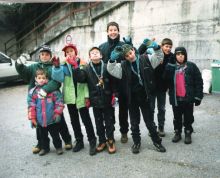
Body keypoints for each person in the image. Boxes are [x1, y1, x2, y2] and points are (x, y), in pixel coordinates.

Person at [107, 41, 166, 154]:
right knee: (134, 122)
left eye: (130, 52)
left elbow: (159, 57)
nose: (130, 56)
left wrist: (157, 47)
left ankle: (157, 141)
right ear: (124, 57)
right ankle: (136, 142)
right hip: (132, 98)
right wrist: (112, 59)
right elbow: (111, 69)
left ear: (133, 50)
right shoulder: (123, 66)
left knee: (149, 122)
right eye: (127, 55)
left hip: (145, 96)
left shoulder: (146, 59)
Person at [15, 45, 72, 153]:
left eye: (47, 54)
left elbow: (57, 81)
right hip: (38, 101)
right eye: (42, 54)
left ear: (50, 56)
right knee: (39, 124)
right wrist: (19, 63)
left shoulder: (53, 67)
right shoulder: (33, 67)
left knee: (59, 121)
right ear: (39, 56)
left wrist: (45, 89)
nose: (44, 56)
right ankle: (40, 143)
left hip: (52, 100)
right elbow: (22, 71)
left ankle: (67, 140)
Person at [51, 43, 97, 156]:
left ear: (75, 52)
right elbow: (59, 78)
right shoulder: (63, 65)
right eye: (67, 52)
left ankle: (92, 141)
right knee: (74, 120)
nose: (69, 53)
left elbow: (86, 82)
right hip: (71, 97)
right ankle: (79, 140)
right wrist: (56, 68)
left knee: (86, 119)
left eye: (71, 51)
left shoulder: (82, 64)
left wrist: (87, 96)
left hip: (81, 96)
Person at [72, 47, 116, 154]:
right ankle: (102, 141)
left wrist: (115, 94)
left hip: (107, 99)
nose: (95, 54)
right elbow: (80, 79)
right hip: (95, 101)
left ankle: (110, 140)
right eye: (92, 53)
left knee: (109, 121)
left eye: (97, 53)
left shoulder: (106, 66)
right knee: (98, 122)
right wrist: (76, 67)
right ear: (89, 57)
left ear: (101, 56)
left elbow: (113, 81)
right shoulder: (86, 69)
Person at [164, 47, 203, 144]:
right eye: (178, 54)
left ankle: (188, 132)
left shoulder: (191, 66)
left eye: (182, 54)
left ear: (185, 55)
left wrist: (198, 96)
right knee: (176, 117)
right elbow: (164, 79)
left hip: (188, 98)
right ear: (175, 56)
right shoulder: (172, 67)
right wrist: (169, 65)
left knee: (188, 117)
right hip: (176, 98)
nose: (180, 56)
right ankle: (177, 132)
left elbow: (199, 82)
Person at [99, 21, 129, 143]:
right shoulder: (102, 47)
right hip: (108, 84)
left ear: (118, 31)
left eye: (115, 30)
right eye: (110, 30)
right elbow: (100, 65)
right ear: (107, 32)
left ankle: (124, 132)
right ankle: (110, 135)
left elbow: (131, 58)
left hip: (122, 83)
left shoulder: (124, 45)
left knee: (123, 110)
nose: (113, 32)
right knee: (109, 112)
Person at [138, 38, 175, 137]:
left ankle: (161, 127)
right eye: (166, 46)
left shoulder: (172, 57)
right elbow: (140, 54)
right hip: (152, 87)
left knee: (162, 108)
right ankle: (152, 128)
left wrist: (168, 85)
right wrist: (146, 45)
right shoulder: (154, 54)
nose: (168, 49)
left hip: (162, 88)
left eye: (170, 47)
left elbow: (171, 73)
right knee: (151, 108)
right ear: (161, 46)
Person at [28, 69, 64, 156]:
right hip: (40, 120)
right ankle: (45, 148)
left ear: (47, 79)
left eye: (43, 78)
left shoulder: (52, 90)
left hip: (51, 119)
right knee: (43, 136)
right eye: (39, 78)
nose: (41, 80)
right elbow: (31, 105)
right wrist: (32, 118)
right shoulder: (33, 92)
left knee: (55, 135)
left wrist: (57, 113)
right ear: (36, 79)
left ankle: (58, 147)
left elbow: (59, 102)